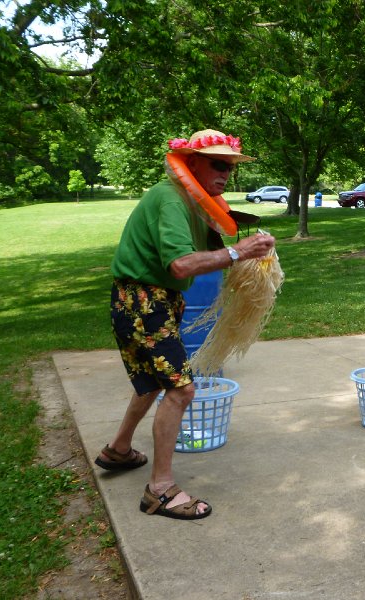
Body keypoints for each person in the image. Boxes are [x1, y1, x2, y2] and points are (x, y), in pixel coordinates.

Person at [97, 129, 275, 519]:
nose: (226, 174)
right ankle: (159, 490)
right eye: (217, 164)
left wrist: (250, 252)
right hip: (144, 300)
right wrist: (236, 251)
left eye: (230, 168)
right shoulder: (170, 198)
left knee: (152, 383)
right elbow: (180, 264)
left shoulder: (193, 202)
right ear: (191, 161)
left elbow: (209, 253)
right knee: (180, 390)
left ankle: (119, 450)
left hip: (153, 300)